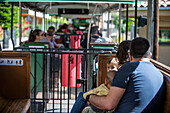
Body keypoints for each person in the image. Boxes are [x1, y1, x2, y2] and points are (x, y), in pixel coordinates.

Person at [86, 37, 165, 113]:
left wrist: (89, 97)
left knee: (86, 110)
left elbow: (108, 104)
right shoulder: (159, 74)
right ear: (149, 55)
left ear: (130, 55)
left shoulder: (127, 69)